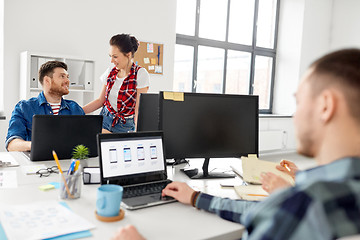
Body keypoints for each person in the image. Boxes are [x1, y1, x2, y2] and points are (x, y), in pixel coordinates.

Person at [112, 48, 360, 240]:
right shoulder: (320, 198)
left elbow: (286, 211)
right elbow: (266, 212)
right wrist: (198, 198)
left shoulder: (305, 204)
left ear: (326, 106)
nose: (295, 115)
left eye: (299, 102)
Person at [6, 61, 84, 152]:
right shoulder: (24, 108)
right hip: (38, 164)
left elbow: (85, 140)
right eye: (62, 76)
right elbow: (12, 145)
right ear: (47, 80)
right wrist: (39, 144)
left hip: (69, 162)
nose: (67, 81)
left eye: (67, 77)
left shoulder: (75, 108)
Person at [83, 34, 149, 133]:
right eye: (110, 56)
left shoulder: (140, 74)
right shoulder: (110, 71)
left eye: (115, 57)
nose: (111, 61)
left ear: (128, 54)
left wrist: (137, 134)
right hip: (104, 119)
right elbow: (101, 101)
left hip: (124, 126)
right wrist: (77, 112)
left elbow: (138, 109)